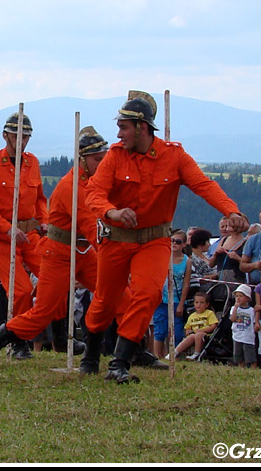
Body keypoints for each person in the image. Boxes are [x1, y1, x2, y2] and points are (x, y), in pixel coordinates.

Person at [83, 91, 248, 383]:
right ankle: (91, 356)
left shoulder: (175, 156)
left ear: (142, 127)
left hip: (154, 240)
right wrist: (113, 212)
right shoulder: (114, 157)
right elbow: (93, 193)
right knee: (105, 302)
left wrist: (230, 210)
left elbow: (204, 185)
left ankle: (119, 364)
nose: (118, 134)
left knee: (146, 294)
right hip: (116, 239)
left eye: (123, 127)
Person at [0, 127, 126, 370]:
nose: (103, 164)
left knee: (119, 297)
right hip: (56, 251)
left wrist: (42, 220)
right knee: (37, 307)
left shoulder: (38, 165)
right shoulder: (72, 187)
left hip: (80, 251)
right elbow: (92, 227)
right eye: (98, 159)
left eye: (104, 158)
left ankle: (126, 352)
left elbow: (40, 199)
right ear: (83, 159)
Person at [0, 112, 47, 359]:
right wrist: (6, 227)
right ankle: (18, 342)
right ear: (6, 135)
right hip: (1, 238)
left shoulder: (32, 163)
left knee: (52, 277)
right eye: (17, 134)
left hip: (31, 234)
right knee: (21, 290)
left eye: (26, 135)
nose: (22, 139)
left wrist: (45, 222)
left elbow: (40, 200)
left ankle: (54, 332)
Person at [153, 229, 192, 360]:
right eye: (172, 240)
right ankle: (158, 357)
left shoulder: (187, 261)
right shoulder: (163, 256)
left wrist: (182, 303)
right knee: (160, 330)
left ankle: (174, 356)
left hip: (176, 300)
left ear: (184, 244)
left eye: (178, 241)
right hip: (162, 300)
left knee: (177, 331)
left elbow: (186, 283)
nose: (174, 243)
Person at [170, 291, 218, 361]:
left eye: (202, 303)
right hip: (194, 334)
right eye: (197, 302)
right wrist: (188, 331)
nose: (199, 305)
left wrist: (202, 330)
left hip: (206, 335)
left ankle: (197, 353)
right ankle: (175, 352)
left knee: (198, 335)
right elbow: (187, 327)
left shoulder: (209, 313)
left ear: (207, 305)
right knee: (192, 336)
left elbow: (214, 326)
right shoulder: (192, 315)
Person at [208, 216, 248, 286]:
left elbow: (248, 265)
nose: (227, 226)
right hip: (221, 281)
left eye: (230, 223)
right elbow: (211, 264)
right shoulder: (223, 240)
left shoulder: (245, 242)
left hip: (236, 280)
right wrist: (216, 254)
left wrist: (237, 258)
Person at [229, 284, 258, 369]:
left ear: (247, 298)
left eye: (241, 296)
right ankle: (241, 368)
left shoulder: (251, 310)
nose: (238, 298)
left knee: (250, 357)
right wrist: (236, 307)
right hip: (237, 336)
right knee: (239, 357)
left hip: (248, 337)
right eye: (236, 296)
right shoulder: (233, 308)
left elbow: (253, 322)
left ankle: (254, 369)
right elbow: (232, 319)